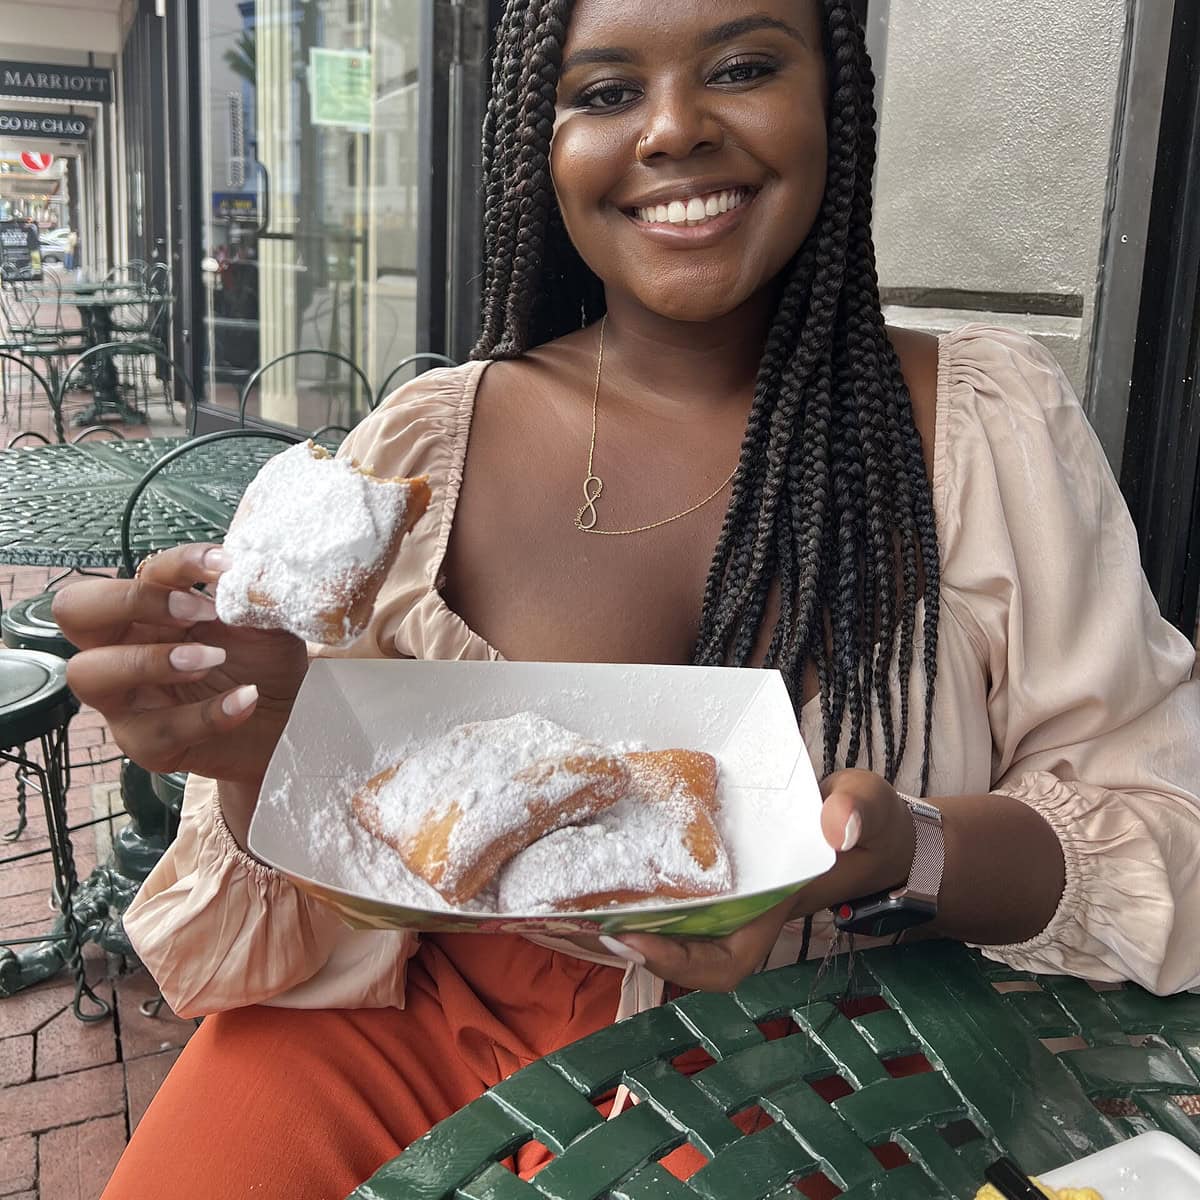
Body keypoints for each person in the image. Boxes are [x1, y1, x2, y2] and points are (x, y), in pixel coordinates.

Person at [54, 1, 1199, 1196]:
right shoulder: (420, 451)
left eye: (744, 67)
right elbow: (287, 916)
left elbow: (1169, 831)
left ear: (837, 102)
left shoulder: (987, 430)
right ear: (539, 146)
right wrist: (253, 754)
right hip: (406, 1026)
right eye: (604, 92)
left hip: (825, 1060)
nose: (671, 129)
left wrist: (908, 852)